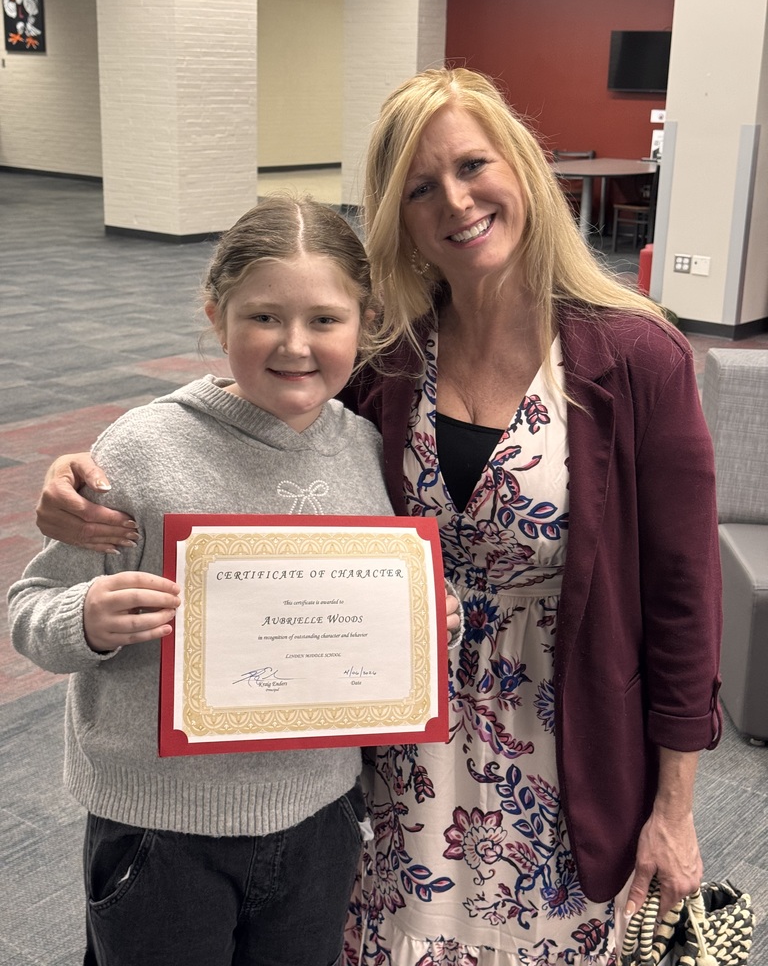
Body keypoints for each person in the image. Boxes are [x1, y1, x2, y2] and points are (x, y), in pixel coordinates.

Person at [34, 69, 722, 966]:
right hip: (386, 759)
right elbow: (262, 410)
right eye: (420, 188)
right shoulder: (390, 359)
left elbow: (683, 599)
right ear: (396, 214)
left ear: (523, 167)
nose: (456, 201)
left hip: (564, 749)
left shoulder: (637, 358)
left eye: (473, 165)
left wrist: (675, 808)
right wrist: (93, 468)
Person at [9, 194, 458, 966]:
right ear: (217, 318)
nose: (294, 344)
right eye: (262, 318)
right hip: (162, 828)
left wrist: (419, 619)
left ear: (365, 323)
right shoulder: (144, 450)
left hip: (317, 816)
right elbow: (29, 609)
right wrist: (86, 618)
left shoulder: (365, 450)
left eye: (324, 319)